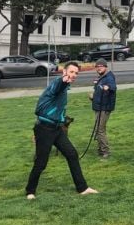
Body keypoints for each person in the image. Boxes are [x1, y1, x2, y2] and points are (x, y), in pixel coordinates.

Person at [25, 62, 98, 199]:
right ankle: (30, 191)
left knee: (72, 154)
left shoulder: (65, 88)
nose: (73, 75)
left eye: (76, 73)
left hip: (57, 129)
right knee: (41, 162)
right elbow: (58, 86)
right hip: (44, 129)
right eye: (71, 72)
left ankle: (82, 188)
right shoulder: (58, 83)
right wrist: (64, 81)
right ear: (64, 72)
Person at [91, 58, 117, 158]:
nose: (99, 68)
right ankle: (100, 150)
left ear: (106, 67)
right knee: (98, 129)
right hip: (98, 106)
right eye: (97, 67)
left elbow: (113, 87)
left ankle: (105, 151)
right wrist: (92, 97)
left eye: (101, 66)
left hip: (104, 108)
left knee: (100, 130)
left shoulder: (109, 77)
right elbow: (99, 91)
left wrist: (108, 88)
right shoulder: (100, 77)